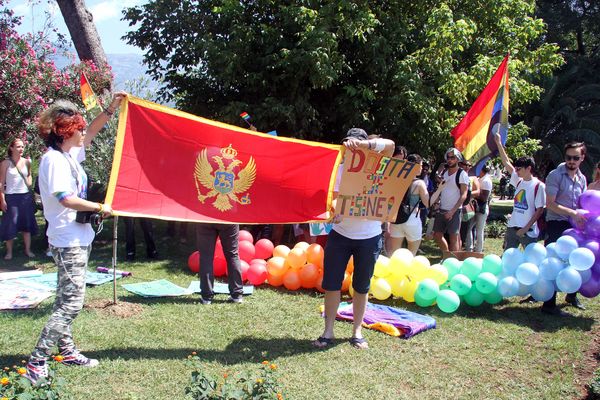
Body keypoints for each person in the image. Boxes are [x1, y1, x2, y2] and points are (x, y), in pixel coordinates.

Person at [24, 93, 124, 384]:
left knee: (64, 299)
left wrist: (110, 109)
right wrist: (99, 206)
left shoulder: (68, 155)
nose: (84, 132)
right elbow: (65, 198)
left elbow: (93, 131)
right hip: (67, 240)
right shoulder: (54, 161)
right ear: (66, 132)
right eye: (79, 128)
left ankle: (66, 351)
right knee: (71, 303)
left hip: (78, 236)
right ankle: (37, 360)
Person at [313, 128, 394, 350]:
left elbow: (391, 146)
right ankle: (327, 331)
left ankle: (357, 331)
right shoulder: (337, 170)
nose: (352, 150)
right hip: (340, 236)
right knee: (331, 284)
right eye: (349, 146)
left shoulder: (378, 167)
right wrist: (333, 212)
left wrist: (363, 145)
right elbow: (333, 199)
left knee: (361, 286)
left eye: (356, 145)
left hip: (370, 237)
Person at [541, 142, 588, 315]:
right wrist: (572, 213)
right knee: (554, 262)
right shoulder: (555, 175)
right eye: (568, 157)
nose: (571, 161)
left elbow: (583, 202)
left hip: (574, 225)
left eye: (576, 158)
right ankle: (549, 304)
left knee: (576, 260)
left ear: (582, 158)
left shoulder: (582, 178)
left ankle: (571, 296)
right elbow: (550, 204)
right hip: (556, 223)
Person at [494, 133, 545, 250]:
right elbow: (506, 163)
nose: (516, 171)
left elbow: (539, 210)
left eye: (519, 169)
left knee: (530, 259)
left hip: (528, 231)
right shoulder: (518, 181)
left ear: (529, 169)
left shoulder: (539, 186)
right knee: (507, 256)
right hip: (512, 227)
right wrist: (498, 142)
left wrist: (525, 229)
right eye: (516, 169)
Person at [0, 138, 38, 259]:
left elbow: (29, 175)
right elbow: (1, 183)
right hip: (11, 197)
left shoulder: (27, 162)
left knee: (26, 225)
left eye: (22, 146)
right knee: (11, 224)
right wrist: (2, 200)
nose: (21, 149)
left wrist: (29, 183)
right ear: (11, 148)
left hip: (25, 197)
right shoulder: (5, 163)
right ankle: (9, 252)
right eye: (18, 146)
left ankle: (28, 250)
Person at [387, 154, 429, 256]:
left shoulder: (396, 180)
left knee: (394, 254)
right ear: (417, 166)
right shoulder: (419, 183)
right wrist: (439, 190)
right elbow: (427, 203)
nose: (422, 168)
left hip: (396, 219)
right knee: (412, 253)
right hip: (412, 219)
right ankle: (408, 272)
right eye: (421, 165)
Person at [196, 223, 244, 304]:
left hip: (205, 218)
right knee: (232, 255)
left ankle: (206, 297)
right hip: (229, 217)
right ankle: (237, 295)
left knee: (206, 256)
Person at [432, 148, 469, 253]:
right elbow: (442, 190)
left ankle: (454, 261)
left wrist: (452, 211)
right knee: (437, 235)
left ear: (457, 159)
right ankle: (447, 255)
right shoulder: (444, 172)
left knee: (454, 237)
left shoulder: (462, 174)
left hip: (455, 211)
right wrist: (437, 203)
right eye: (448, 157)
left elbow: (464, 195)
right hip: (442, 208)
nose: (449, 160)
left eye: (452, 157)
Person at [459, 160, 480, 252]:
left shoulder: (473, 177)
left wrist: (466, 194)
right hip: (455, 205)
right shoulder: (458, 175)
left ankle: (467, 248)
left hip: (466, 207)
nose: (467, 167)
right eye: (465, 164)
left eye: (469, 165)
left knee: (466, 229)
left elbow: (478, 192)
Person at [474, 164, 493, 252]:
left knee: (479, 230)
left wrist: (474, 193)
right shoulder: (479, 179)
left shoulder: (486, 181)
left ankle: (478, 250)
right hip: (475, 207)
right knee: (471, 228)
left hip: (481, 209)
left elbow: (484, 197)